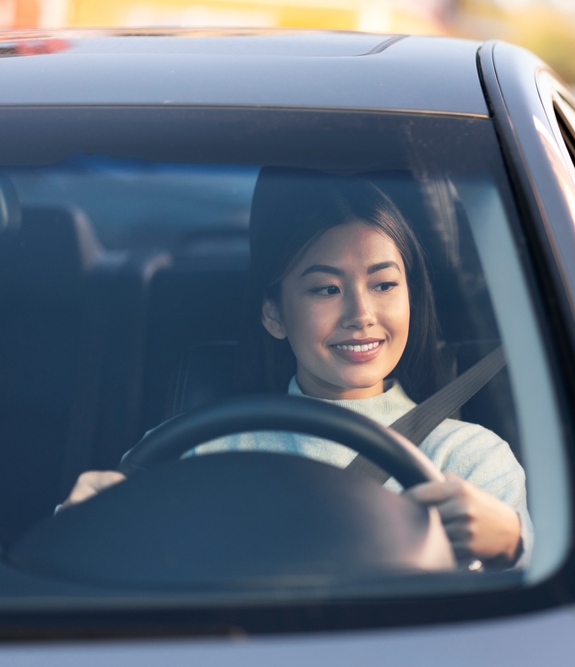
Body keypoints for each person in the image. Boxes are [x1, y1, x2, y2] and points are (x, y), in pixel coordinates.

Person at [61, 168, 531, 568]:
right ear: (274, 315)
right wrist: (78, 521)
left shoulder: (469, 461)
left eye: (384, 284)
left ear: (412, 297)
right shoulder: (193, 453)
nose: (361, 314)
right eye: (326, 290)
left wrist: (512, 543)